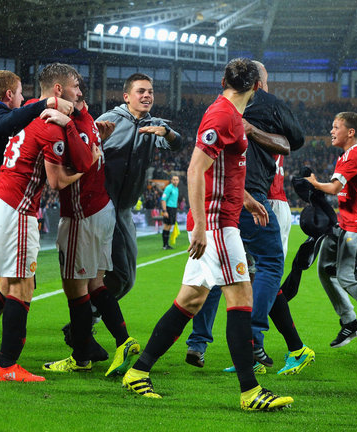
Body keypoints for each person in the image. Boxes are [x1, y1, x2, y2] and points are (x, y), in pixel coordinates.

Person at [121, 58, 294, 411]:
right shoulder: (224, 116)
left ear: (222, 80)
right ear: (257, 87)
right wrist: (200, 224)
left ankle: (138, 372)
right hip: (216, 224)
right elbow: (195, 169)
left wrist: (245, 198)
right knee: (242, 297)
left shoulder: (227, 113)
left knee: (190, 300)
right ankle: (250, 391)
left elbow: (223, 168)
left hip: (224, 216)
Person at [0, 63, 96, 381]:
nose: (79, 92)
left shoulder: (27, 111)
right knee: (22, 287)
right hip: (16, 208)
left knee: (4, 285)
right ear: (57, 91)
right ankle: (8, 366)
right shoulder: (49, 122)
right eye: (75, 86)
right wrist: (85, 154)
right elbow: (59, 179)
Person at [185, 61, 313, 376]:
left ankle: (261, 342)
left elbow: (293, 142)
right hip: (246, 198)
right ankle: (253, 343)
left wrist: (253, 130)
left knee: (257, 275)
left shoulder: (267, 110)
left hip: (266, 198)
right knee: (236, 273)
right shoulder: (230, 111)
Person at [40, 82, 141, 376]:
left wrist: (83, 155)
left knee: (75, 289)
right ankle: (123, 340)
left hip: (81, 215)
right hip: (102, 209)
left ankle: (81, 356)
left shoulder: (72, 124)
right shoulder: (89, 119)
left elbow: (58, 181)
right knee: (95, 284)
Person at [305, 112, 357, 356]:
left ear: (350, 132)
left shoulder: (354, 154)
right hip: (345, 225)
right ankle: (350, 322)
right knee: (324, 269)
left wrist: (314, 183)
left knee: (349, 277)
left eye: (336, 127)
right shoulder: (344, 157)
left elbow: (334, 188)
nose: (331, 131)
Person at [95, 74, 184, 301]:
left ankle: (87, 317)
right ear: (126, 96)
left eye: (151, 92)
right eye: (141, 91)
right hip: (103, 207)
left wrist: (167, 133)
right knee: (120, 275)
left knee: (128, 280)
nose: (147, 95)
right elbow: (85, 147)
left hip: (124, 210)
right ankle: (84, 321)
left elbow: (177, 144)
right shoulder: (109, 120)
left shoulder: (155, 124)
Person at [160, 175, 179, 249]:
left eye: (177, 179)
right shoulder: (168, 188)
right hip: (168, 208)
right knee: (166, 225)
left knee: (170, 225)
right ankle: (165, 245)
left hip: (173, 209)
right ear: (171, 180)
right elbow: (163, 199)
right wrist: (165, 211)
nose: (175, 181)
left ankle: (166, 244)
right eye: (174, 179)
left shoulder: (176, 188)